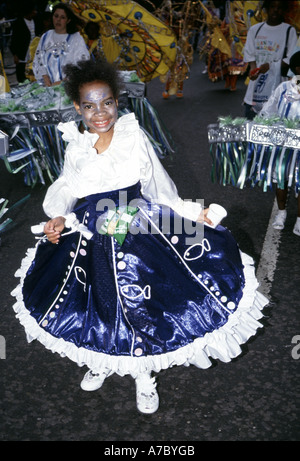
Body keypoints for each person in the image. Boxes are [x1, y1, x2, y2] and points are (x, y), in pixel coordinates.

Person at [12, 59, 268, 414]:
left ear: (117, 101)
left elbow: (160, 187)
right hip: (91, 235)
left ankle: (143, 373)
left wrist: (194, 214)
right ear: (77, 107)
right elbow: (66, 187)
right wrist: (57, 216)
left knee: (139, 304)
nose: (99, 113)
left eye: (107, 103)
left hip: (138, 230)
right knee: (96, 302)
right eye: (89, 105)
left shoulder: (133, 136)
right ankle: (102, 357)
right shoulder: (75, 146)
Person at [259, 50, 300, 236]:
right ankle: (281, 213)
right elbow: (269, 110)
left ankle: (299, 219)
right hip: (283, 144)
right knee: (281, 179)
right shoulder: (283, 88)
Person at [242, 0, 297, 120]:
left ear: (284, 10)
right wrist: (253, 71)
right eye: (272, 6)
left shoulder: (289, 31)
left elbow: (292, 60)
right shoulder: (255, 30)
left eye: (279, 7)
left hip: (278, 95)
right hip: (253, 96)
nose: (276, 10)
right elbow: (250, 56)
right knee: (252, 132)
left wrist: (271, 66)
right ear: (266, 8)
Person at [32, 2, 89, 87]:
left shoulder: (76, 39)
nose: (58, 20)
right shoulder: (46, 36)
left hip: (69, 87)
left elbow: (81, 65)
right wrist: (45, 77)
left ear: (68, 20)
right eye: (56, 16)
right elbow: (39, 58)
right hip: (47, 87)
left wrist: (61, 83)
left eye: (62, 17)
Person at [10, 1, 37, 83]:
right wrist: (15, 54)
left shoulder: (37, 20)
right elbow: (14, 40)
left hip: (35, 52)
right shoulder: (18, 23)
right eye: (33, 10)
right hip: (23, 53)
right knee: (22, 75)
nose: (35, 12)